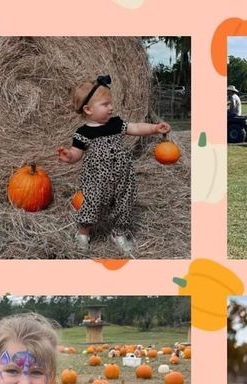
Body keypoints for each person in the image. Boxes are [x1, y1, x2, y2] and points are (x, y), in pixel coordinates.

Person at [57, 75, 170, 256]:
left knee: (124, 203)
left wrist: (154, 128)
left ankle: (119, 233)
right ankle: (83, 233)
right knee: (90, 203)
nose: (111, 108)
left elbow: (136, 128)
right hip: (95, 179)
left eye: (111, 103)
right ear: (88, 109)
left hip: (122, 175)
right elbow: (76, 154)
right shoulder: (82, 133)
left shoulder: (116, 123)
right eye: (105, 104)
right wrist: (69, 156)